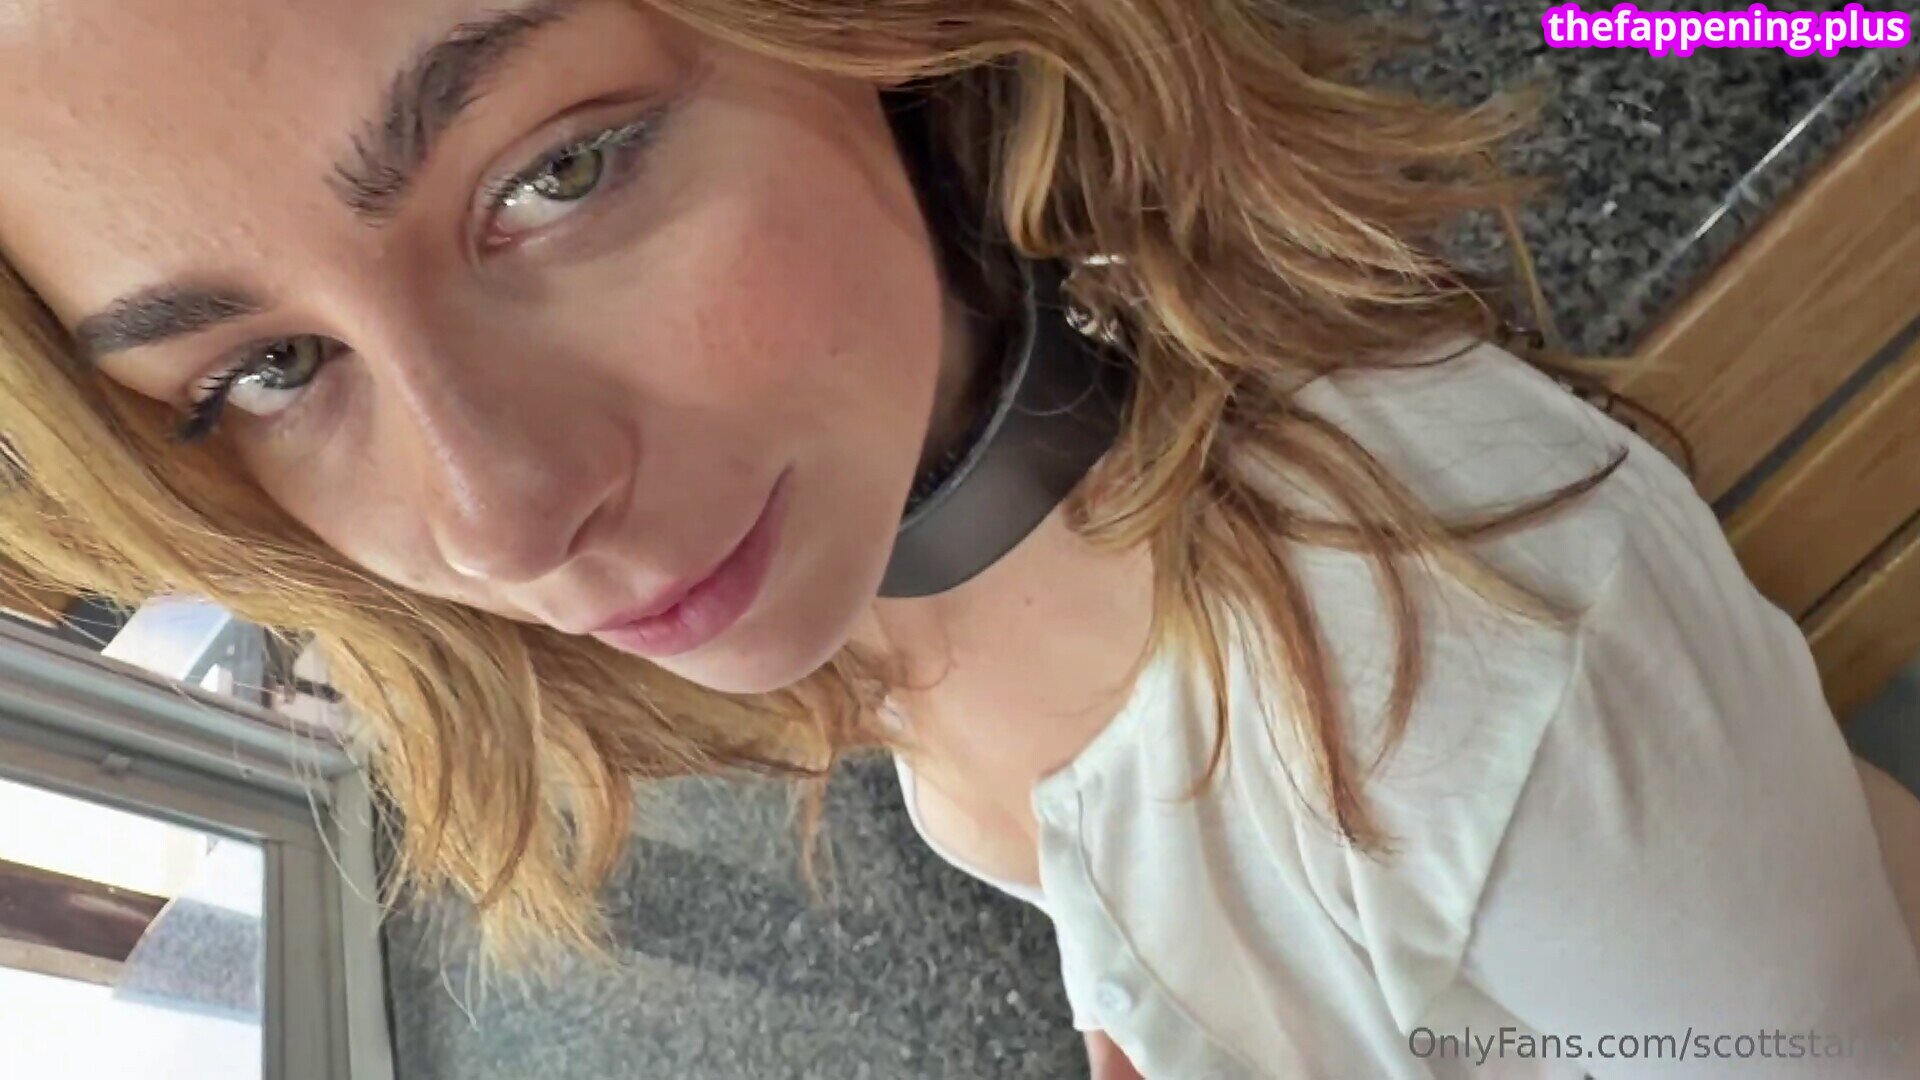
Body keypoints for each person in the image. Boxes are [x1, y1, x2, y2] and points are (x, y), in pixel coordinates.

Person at [1, 1, 1915, 1075]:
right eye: (266, 371)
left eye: (559, 171)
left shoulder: (1476, 682)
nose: (502, 519)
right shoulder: (862, 550)